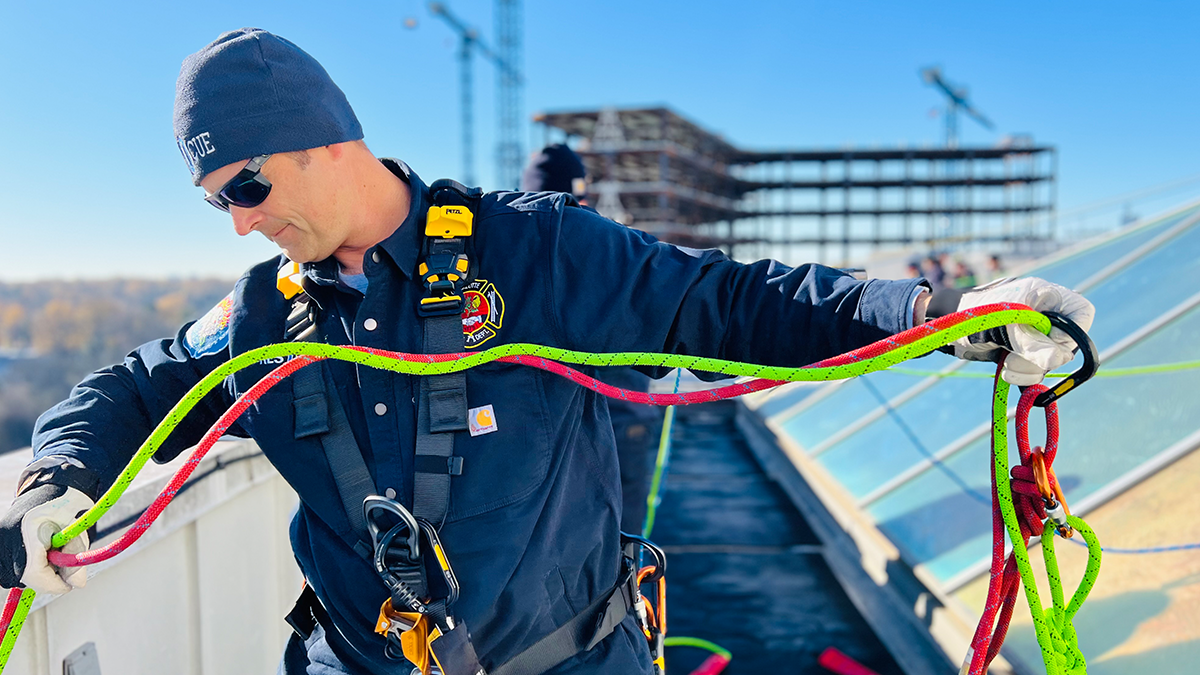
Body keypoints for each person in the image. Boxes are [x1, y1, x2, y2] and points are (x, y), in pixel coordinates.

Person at [0, 28, 1094, 675]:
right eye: (211, 201)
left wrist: (941, 317)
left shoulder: (539, 253)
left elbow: (732, 305)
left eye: (247, 186)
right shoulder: (259, 314)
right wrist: (53, 478)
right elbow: (130, 387)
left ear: (333, 141)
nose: (236, 220)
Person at [520, 144, 661, 534]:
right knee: (627, 546)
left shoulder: (515, 251)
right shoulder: (611, 243)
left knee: (563, 545)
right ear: (578, 191)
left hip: (550, 431)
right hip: (626, 416)